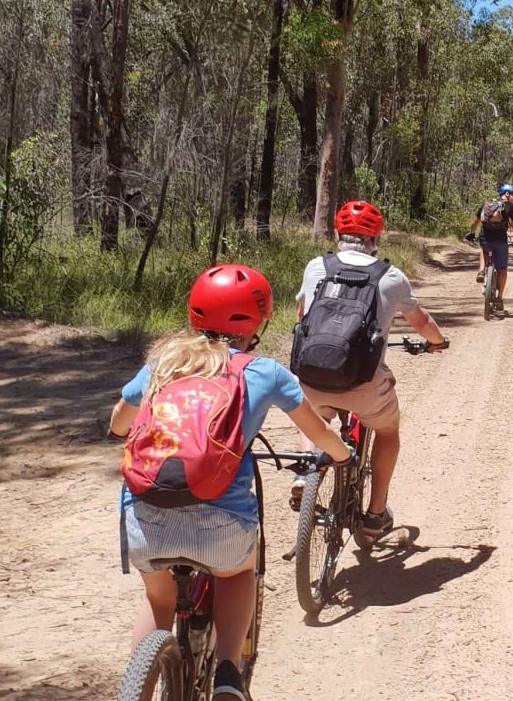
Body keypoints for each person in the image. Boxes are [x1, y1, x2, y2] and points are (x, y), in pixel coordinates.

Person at [111, 264, 351, 701]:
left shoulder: (162, 364)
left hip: (146, 515)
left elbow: (119, 423)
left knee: (158, 600)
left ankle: (136, 690)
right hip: (221, 521)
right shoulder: (265, 372)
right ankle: (227, 672)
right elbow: (318, 433)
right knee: (239, 571)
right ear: (257, 320)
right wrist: (341, 456)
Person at [294, 199, 448, 543]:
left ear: (338, 235)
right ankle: (375, 514)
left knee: (312, 414)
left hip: (314, 375)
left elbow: (302, 316)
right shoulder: (390, 277)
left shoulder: (316, 267)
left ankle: (305, 469)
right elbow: (421, 323)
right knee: (388, 431)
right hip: (364, 382)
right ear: (377, 239)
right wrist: (438, 343)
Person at [465, 183, 513, 311]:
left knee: (484, 248)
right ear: (507, 194)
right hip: (500, 241)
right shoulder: (511, 206)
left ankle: (481, 270)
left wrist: (471, 233)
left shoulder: (487, 204)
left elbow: (474, 221)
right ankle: (499, 297)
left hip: (485, 238)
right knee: (502, 269)